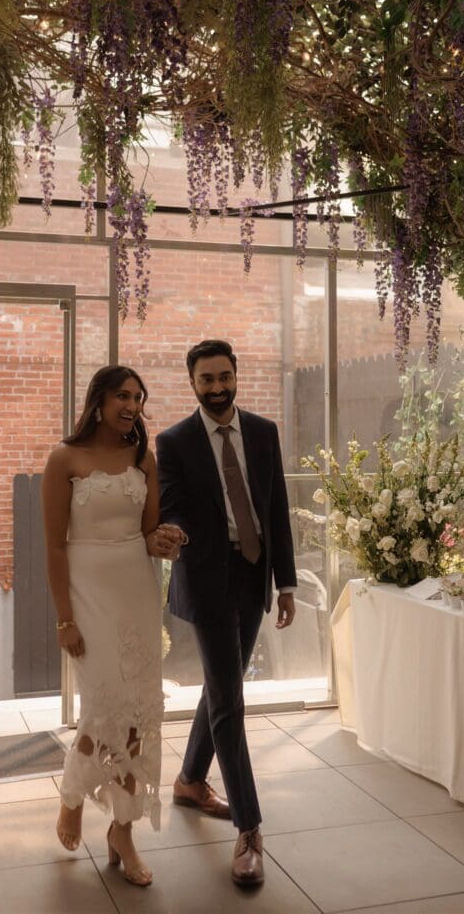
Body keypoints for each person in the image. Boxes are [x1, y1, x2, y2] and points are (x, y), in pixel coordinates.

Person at [156, 339, 297, 887]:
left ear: (236, 375)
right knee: (231, 703)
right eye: (205, 380)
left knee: (223, 688)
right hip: (208, 579)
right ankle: (249, 829)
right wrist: (178, 535)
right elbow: (170, 506)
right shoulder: (175, 441)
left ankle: (191, 780)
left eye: (223, 377)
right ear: (191, 383)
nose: (216, 388)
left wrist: (285, 583)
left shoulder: (263, 433)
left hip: (254, 575)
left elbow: (276, 509)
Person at [42, 365, 183, 887]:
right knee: (102, 707)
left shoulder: (142, 457)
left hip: (137, 593)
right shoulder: (64, 459)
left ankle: (123, 829)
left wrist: (163, 539)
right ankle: (73, 795)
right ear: (98, 400)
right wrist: (64, 619)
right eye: (122, 395)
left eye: (138, 398)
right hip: (87, 595)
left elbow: (146, 532)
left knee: (137, 714)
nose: (132, 405)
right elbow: (55, 546)